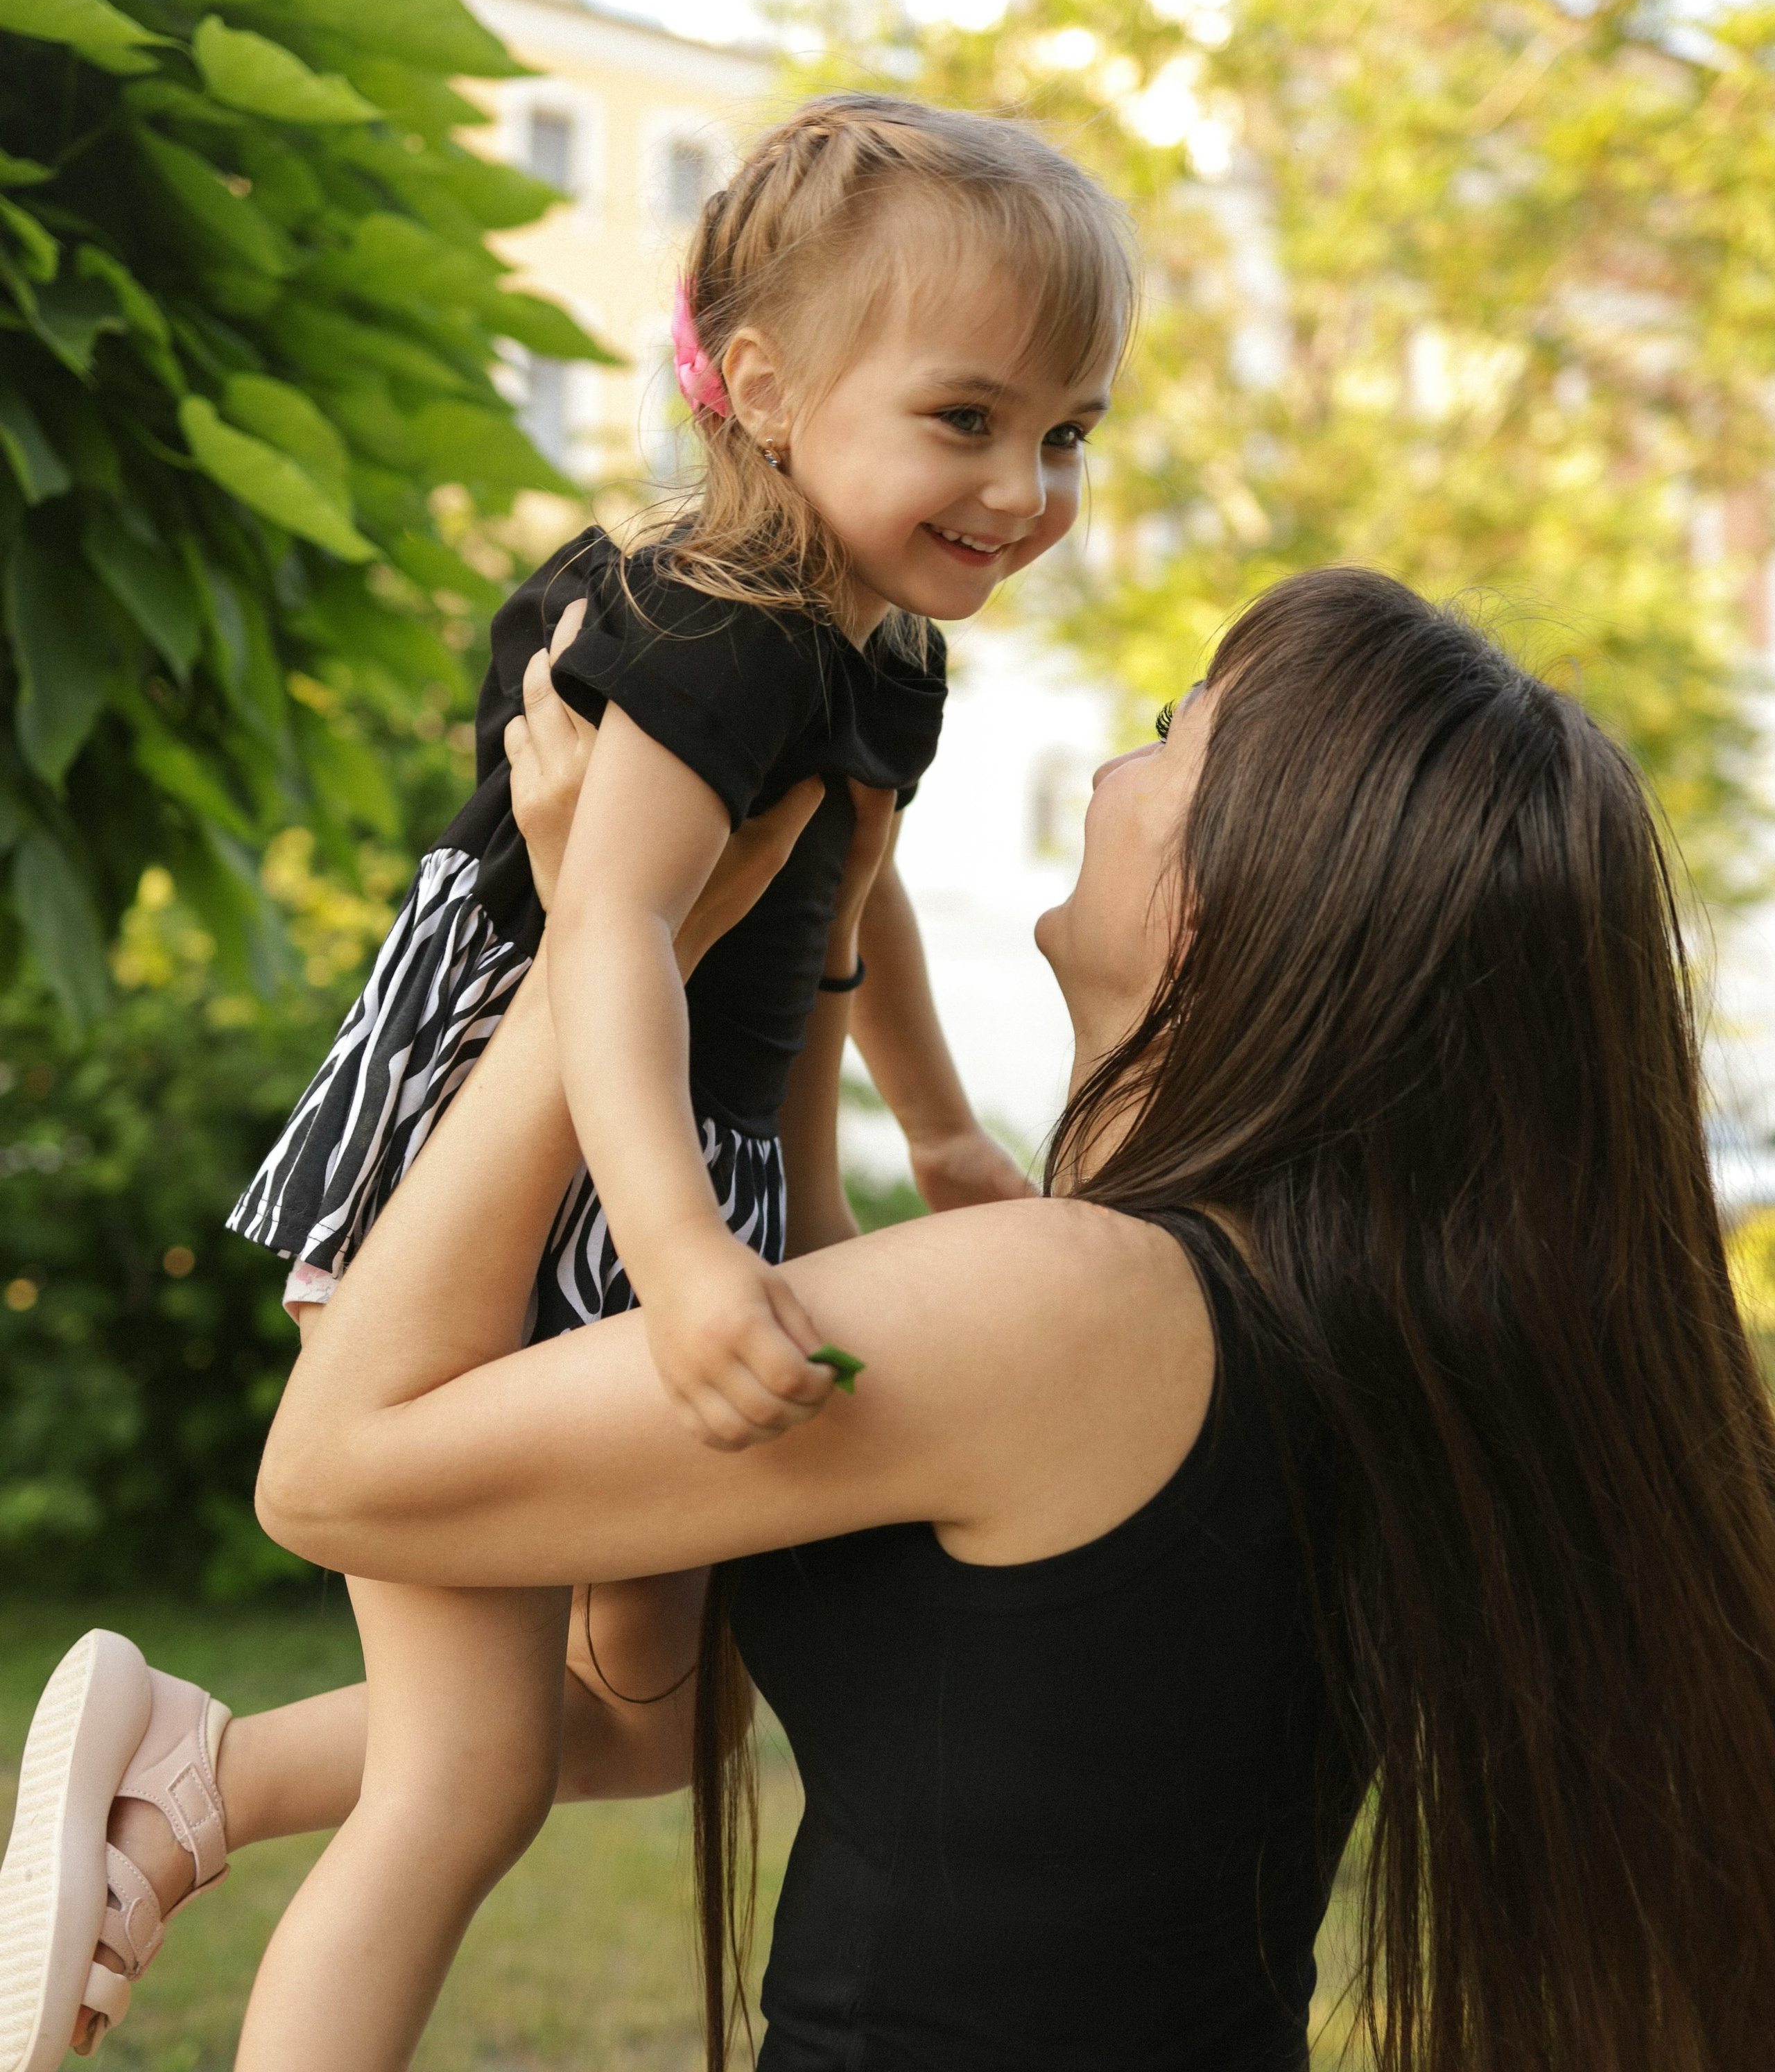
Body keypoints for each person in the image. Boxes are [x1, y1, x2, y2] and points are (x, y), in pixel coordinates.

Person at [21, 566, 1775, 2072]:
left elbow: (337, 1471)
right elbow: (686, 1631)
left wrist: (597, 935)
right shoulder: (1298, 1324)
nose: (1110, 766)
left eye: (1167, 731)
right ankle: (206, 1773)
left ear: (1235, 894)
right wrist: (806, 944)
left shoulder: (1081, 1307)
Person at [0, 91, 1134, 2071]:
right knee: (462, 1783)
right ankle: (190, 1797)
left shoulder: (881, 649)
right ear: (764, 392)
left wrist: (931, 1137)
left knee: (651, 1715)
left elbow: (841, 901)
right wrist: (688, 1259)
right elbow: (610, 930)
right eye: (967, 418)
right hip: (509, 1172)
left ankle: (190, 1778)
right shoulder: (715, 620)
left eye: (1067, 434)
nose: (1023, 487)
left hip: (670, 1164)